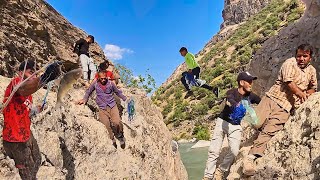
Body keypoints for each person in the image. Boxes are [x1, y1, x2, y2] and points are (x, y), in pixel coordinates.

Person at [243, 44, 318, 175]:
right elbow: (289, 82)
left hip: (286, 107)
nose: (301, 59)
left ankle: (250, 159)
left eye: (305, 56)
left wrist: (309, 93)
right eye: (299, 55)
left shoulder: (312, 71)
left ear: (310, 58)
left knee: (269, 132)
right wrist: (301, 94)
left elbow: (313, 87)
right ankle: (247, 113)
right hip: (272, 98)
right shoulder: (290, 63)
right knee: (255, 122)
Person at [2, 60, 61, 180]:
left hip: (26, 133)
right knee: (26, 173)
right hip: (15, 139)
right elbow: (23, 89)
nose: (34, 75)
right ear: (20, 73)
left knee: (37, 158)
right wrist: (44, 78)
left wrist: (35, 110)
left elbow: (25, 111)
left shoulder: (30, 94)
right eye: (30, 72)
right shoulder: (16, 83)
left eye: (35, 73)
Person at [203, 71, 261, 180]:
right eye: (249, 81)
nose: (251, 84)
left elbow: (261, 101)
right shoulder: (232, 92)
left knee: (234, 151)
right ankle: (208, 176)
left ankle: (220, 171)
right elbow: (229, 98)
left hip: (235, 126)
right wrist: (235, 104)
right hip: (222, 123)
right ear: (241, 82)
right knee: (214, 151)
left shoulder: (251, 96)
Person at [77, 71, 128, 149]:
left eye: (105, 78)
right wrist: (84, 99)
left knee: (116, 122)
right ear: (98, 78)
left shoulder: (111, 83)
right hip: (102, 107)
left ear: (106, 77)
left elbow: (118, 92)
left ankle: (120, 136)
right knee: (106, 124)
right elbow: (88, 91)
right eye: (101, 79)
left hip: (112, 106)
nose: (103, 80)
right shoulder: (95, 84)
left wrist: (126, 98)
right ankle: (112, 139)